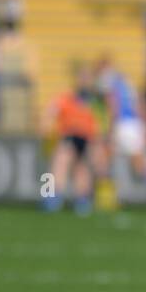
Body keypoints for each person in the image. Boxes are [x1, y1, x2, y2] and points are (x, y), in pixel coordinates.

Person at [95, 53, 146, 205]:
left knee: (105, 156)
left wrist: (111, 129)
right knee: (135, 160)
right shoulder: (126, 81)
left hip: (123, 125)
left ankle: (106, 192)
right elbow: (141, 103)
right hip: (136, 125)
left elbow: (113, 104)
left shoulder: (107, 80)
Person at [42, 67, 105, 215]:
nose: (84, 81)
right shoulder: (67, 98)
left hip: (86, 138)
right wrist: (45, 126)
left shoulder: (95, 102)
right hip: (69, 136)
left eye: (87, 78)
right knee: (58, 165)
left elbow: (101, 124)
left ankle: (82, 199)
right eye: (82, 78)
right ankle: (51, 197)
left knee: (82, 170)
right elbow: (51, 111)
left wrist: (99, 142)